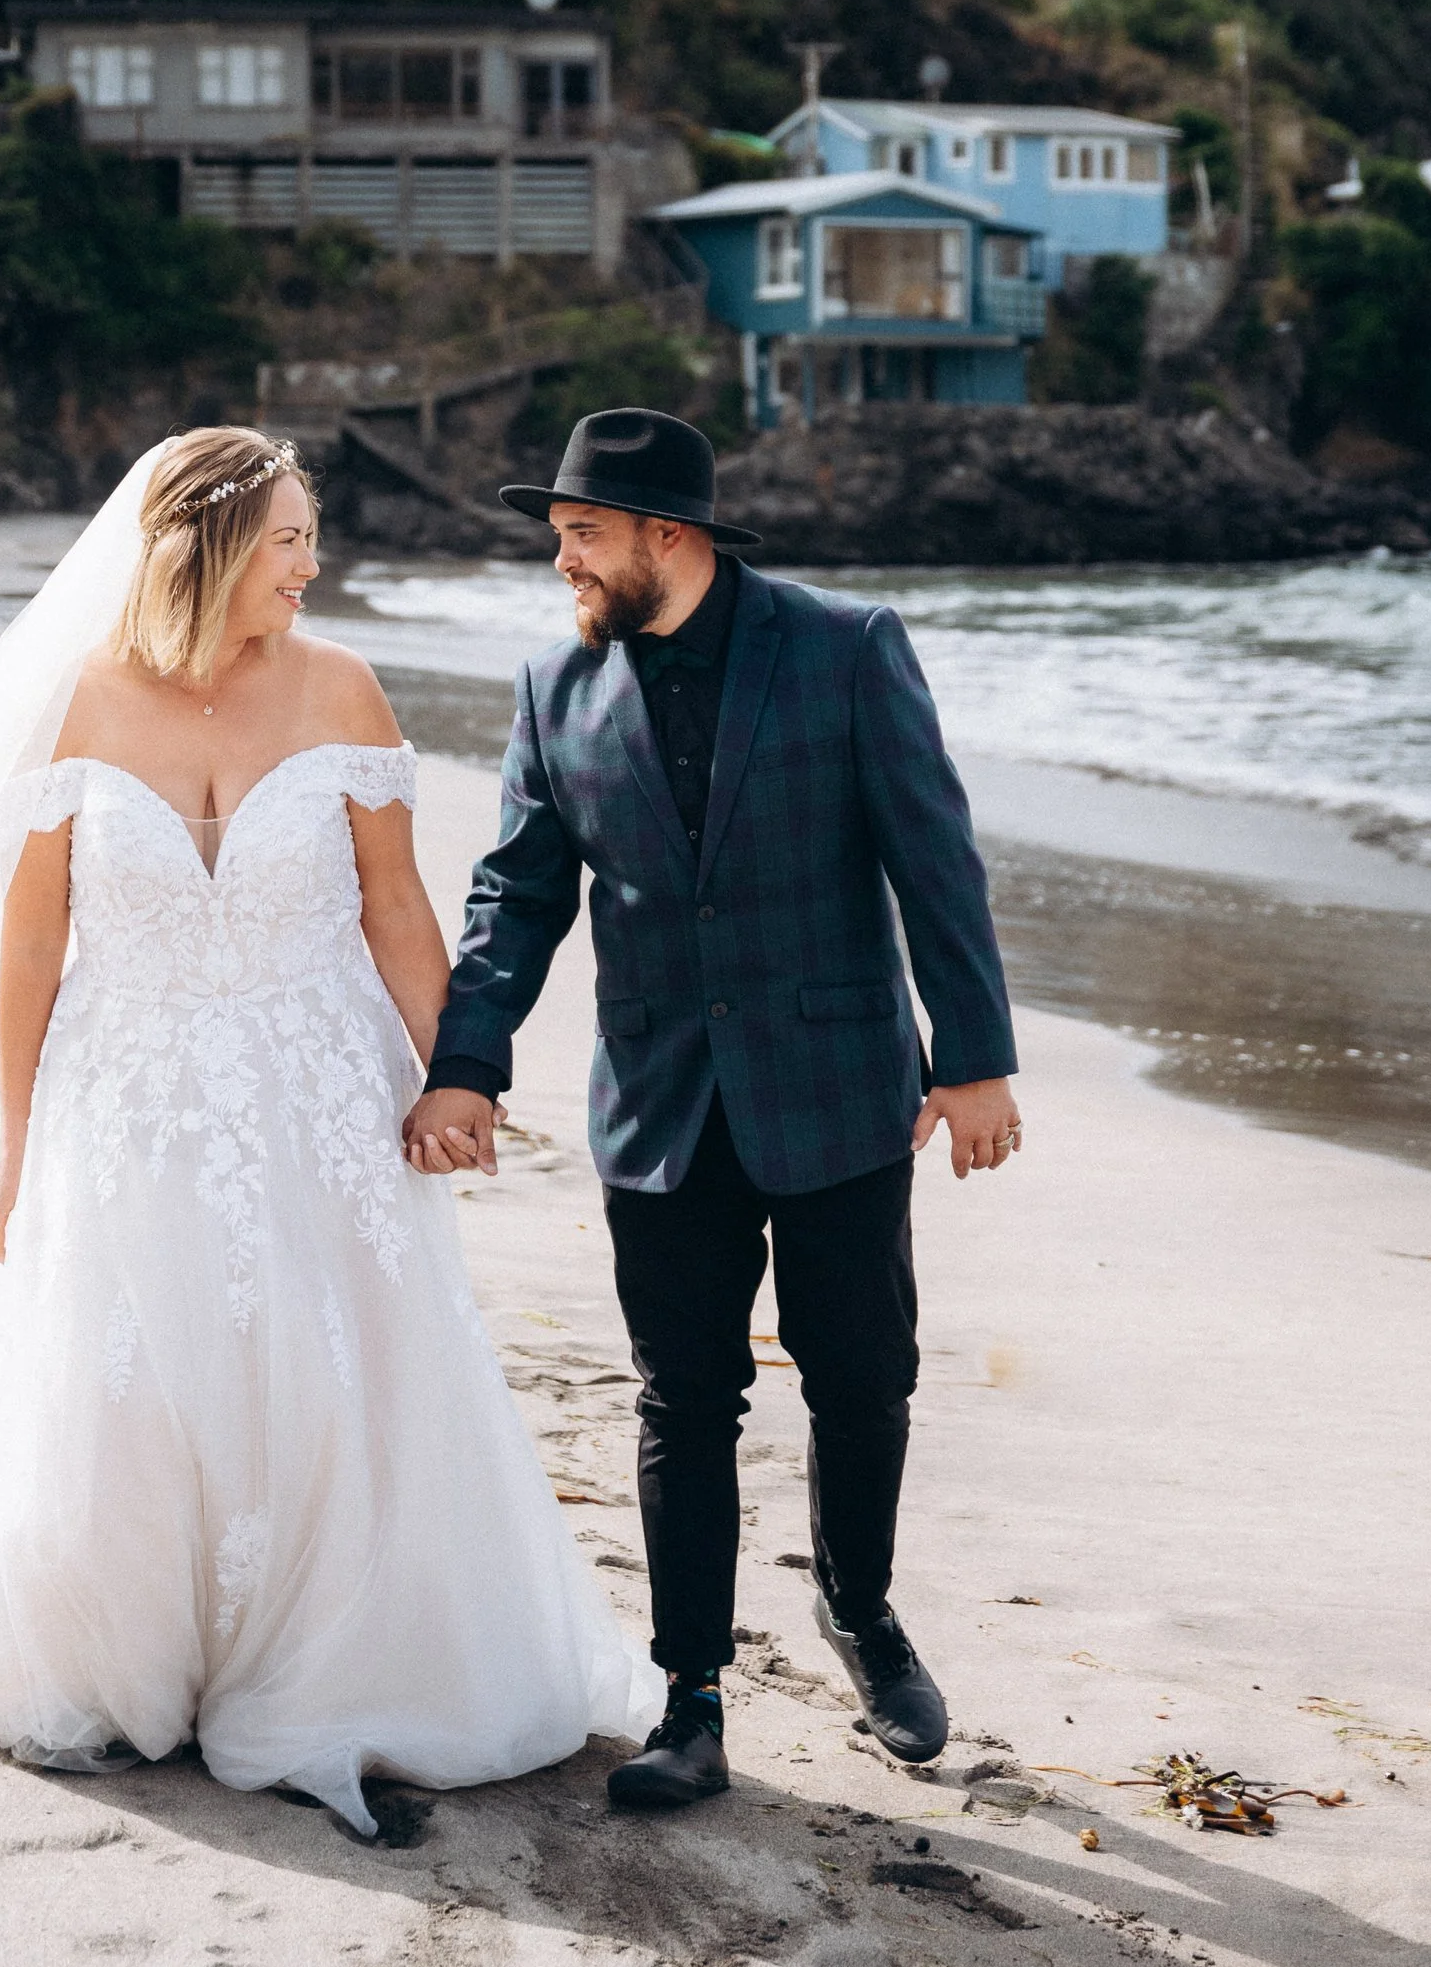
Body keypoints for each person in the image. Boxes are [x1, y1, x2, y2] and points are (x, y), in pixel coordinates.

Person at [0, 428, 648, 1836]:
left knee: (330, 1378)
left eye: (309, 534)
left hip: (320, 1093)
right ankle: (127, 1663)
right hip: (124, 1092)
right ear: (202, 547)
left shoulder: (341, 685)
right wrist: (10, 1142)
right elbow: (28, 947)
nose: (311, 564)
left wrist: (461, 1076)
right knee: (125, 1382)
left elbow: (395, 906)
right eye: (285, 539)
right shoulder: (73, 704)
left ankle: (332, 1668)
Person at [404, 407, 1021, 1815]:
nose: (562, 562)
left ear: (663, 538)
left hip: (842, 1090)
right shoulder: (556, 690)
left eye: (581, 537)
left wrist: (973, 1055)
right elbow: (515, 900)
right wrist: (467, 1064)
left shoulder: (843, 648)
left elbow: (937, 859)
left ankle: (859, 1613)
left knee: (863, 1373)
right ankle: (689, 1701)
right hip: (661, 1103)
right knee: (686, 1399)